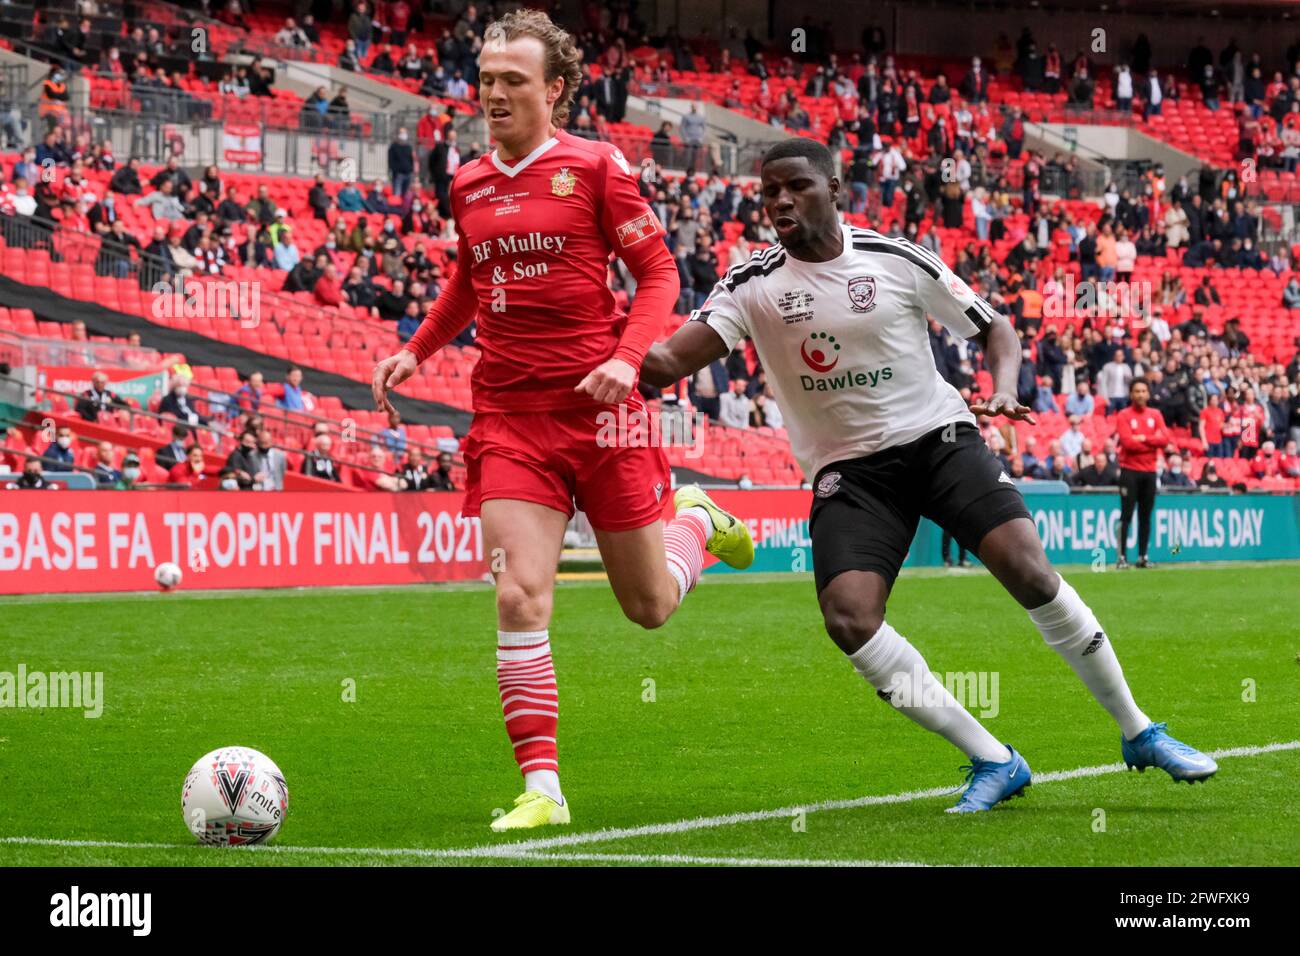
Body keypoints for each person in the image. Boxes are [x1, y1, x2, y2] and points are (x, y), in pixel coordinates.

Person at [641, 137, 1216, 813]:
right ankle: (993, 759)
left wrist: (1001, 387)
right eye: (768, 192)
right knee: (848, 618)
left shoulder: (893, 259)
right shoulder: (752, 286)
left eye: (796, 186)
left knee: (1029, 571)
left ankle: (1138, 729)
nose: (780, 202)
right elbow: (663, 365)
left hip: (938, 441)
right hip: (850, 473)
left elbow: (996, 328)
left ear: (833, 186)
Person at [371, 8, 754, 832]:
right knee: (517, 595)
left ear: (557, 89)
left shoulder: (597, 169)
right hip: (509, 416)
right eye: (487, 79)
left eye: (515, 79)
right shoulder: (467, 181)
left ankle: (696, 521)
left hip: (603, 413)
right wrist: (418, 348)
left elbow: (658, 275)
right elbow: (469, 284)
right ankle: (543, 788)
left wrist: (626, 356)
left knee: (648, 607)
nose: (496, 93)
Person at [1114, 379, 1168, 569]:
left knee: (1145, 516)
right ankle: (1121, 558)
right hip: (1130, 471)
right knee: (1126, 515)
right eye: (1137, 391)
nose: (1140, 394)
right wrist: (1152, 442)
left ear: (1148, 393)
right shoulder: (1124, 415)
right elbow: (1128, 443)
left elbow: (1166, 439)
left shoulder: (1156, 414)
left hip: (1150, 472)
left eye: (1144, 390)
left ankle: (1143, 557)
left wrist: (1144, 438)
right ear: (1131, 394)